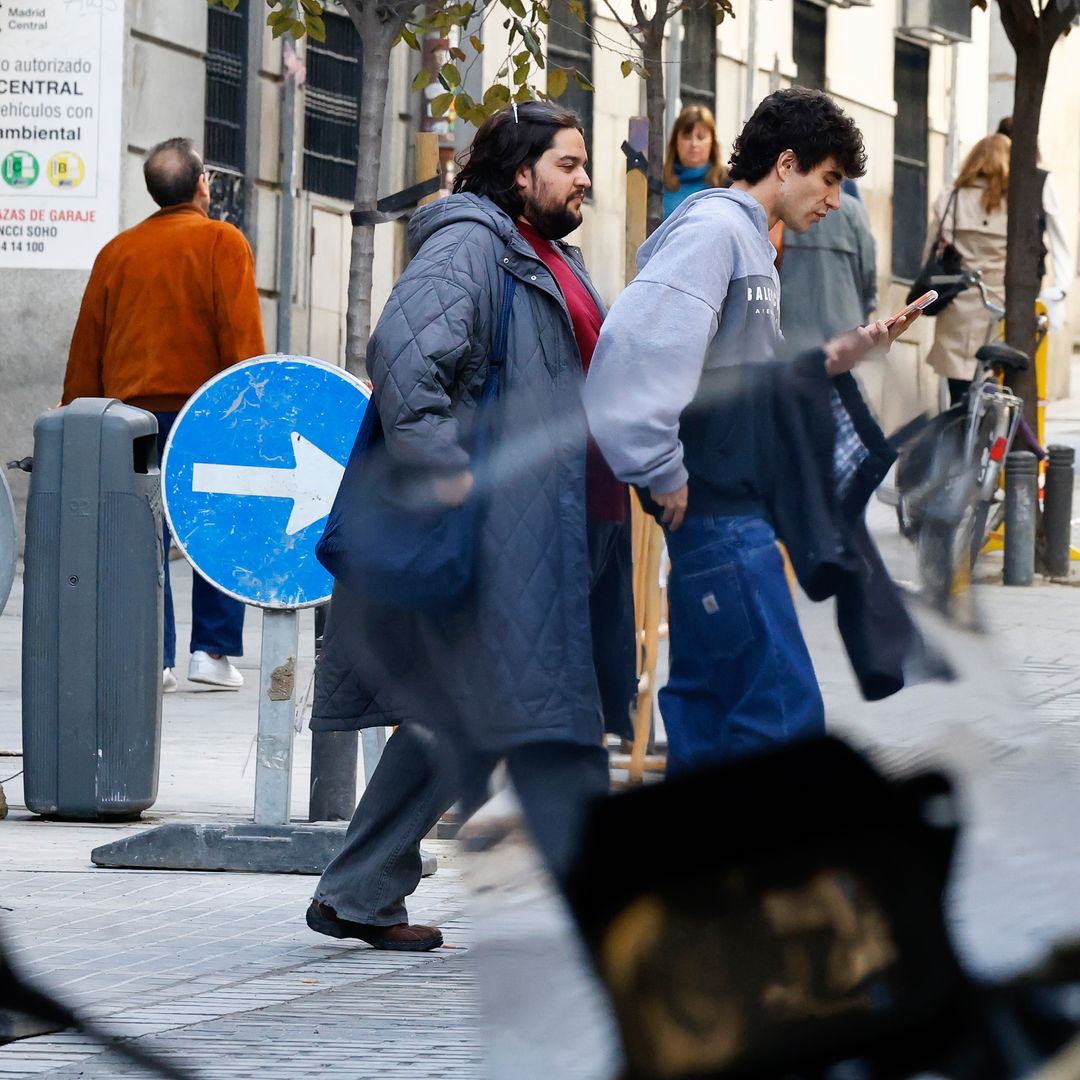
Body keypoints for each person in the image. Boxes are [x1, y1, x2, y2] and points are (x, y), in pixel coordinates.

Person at [305, 102, 635, 951]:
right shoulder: (471, 242)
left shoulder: (543, 250)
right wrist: (446, 468)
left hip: (568, 514)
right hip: (510, 522)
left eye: (584, 163)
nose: (585, 178)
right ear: (521, 173)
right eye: (569, 163)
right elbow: (406, 356)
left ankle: (360, 888)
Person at [584, 88, 914, 775]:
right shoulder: (717, 232)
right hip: (721, 519)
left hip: (727, 520)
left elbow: (744, 377)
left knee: (709, 718)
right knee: (782, 719)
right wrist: (659, 465)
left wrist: (847, 349)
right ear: (787, 163)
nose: (834, 200)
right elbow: (633, 352)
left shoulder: (749, 241)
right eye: (829, 180)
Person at [62, 137, 264, 693]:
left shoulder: (117, 251)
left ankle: (158, 657)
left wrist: (75, 412)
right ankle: (212, 651)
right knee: (216, 520)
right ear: (204, 185)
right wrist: (253, 410)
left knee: (143, 532)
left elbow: (89, 345)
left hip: (127, 415)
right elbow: (240, 336)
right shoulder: (223, 241)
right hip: (204, 409)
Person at [924, 134, 1009, 405]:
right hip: (996, 301)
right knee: (992, 382)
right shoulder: (1013, 204)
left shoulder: (953, 196)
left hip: (958, 300)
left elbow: (931, 247)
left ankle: (960, 441)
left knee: (958, 388)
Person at [779, 178, 878, 352]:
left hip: (791, 329)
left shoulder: (784, 209)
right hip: (845, 329)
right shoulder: (854, 211)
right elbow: (868, 268)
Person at [995, 116, 1074, 332]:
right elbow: (1060, 237)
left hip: (1026, 274)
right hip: (1013, 272)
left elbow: (1059, 235)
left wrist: (1062, 285)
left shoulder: (1040, 181)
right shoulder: (992, 181)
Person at [663, 104, 727, 219]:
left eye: (701, 137)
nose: (694, 144)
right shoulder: (657, 181)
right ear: (675, 141)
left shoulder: (727, 182)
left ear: (712, 142)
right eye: (687, 137)